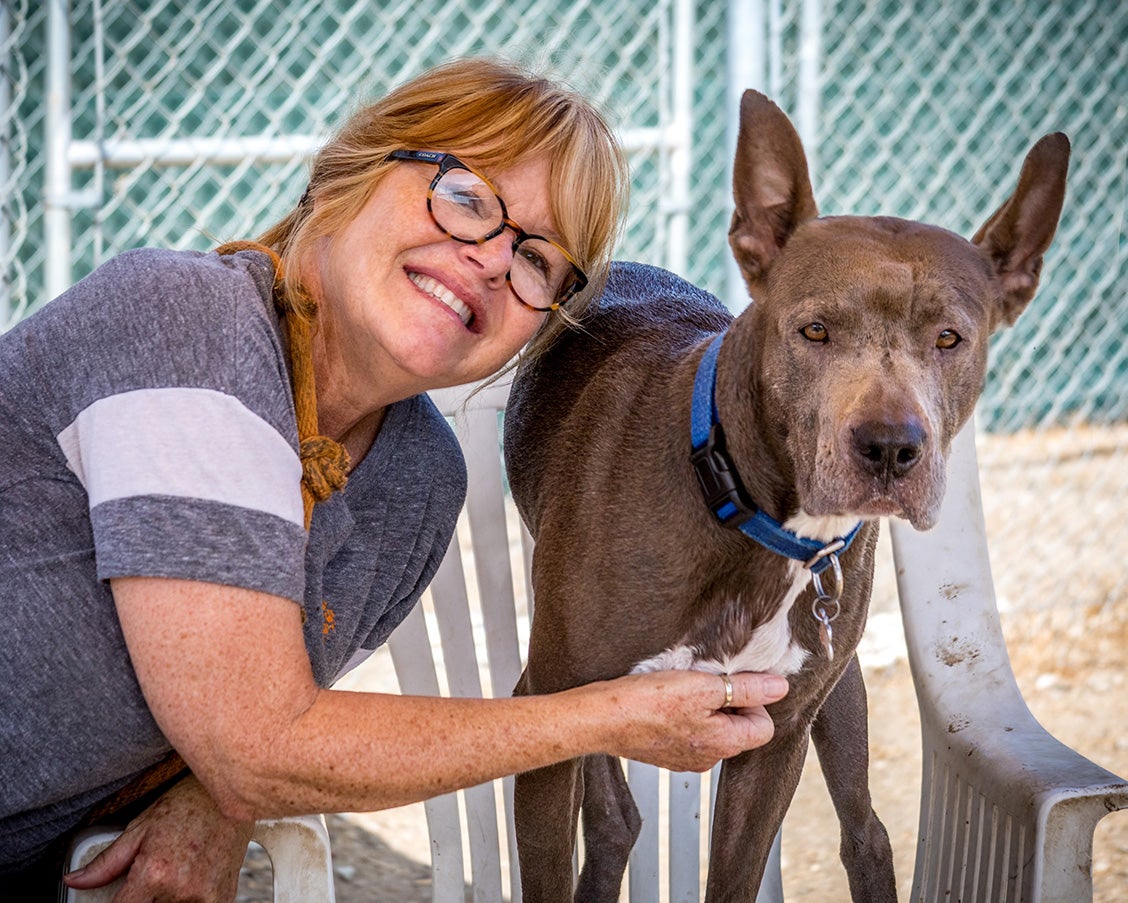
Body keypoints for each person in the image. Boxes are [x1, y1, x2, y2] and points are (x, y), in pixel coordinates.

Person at [0, 57, 788, 900]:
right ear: (349, 173)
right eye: (466, 198)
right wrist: (607, 714)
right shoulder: (184, 322)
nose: (490, 259)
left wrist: (216, 798)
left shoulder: (414, 479)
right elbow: (259, 742)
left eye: (537, 260)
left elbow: (258, 722)